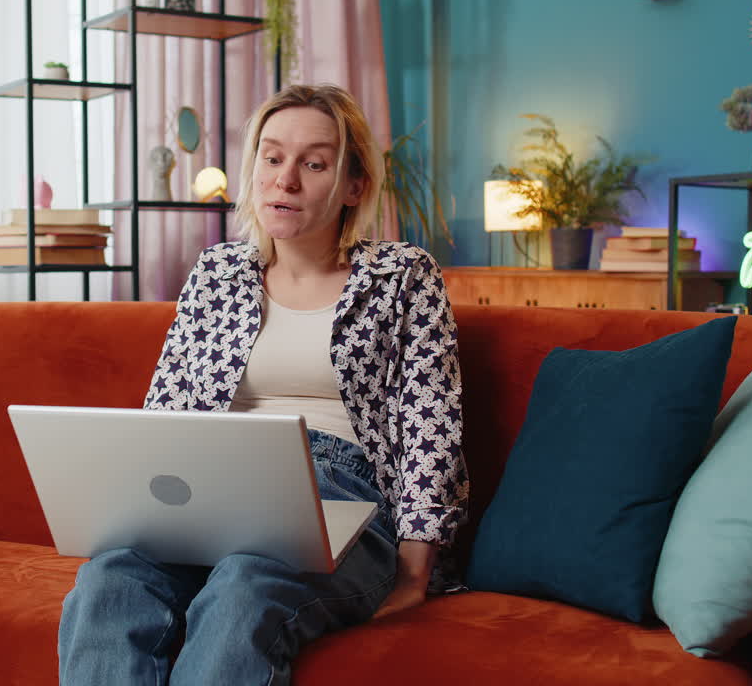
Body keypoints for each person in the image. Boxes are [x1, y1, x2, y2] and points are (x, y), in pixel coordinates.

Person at [58, 84, 468, 685]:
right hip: (213, 487)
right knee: (109, 580)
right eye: (272, 158)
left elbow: (432, 424)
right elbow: (166, 410)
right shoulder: (217, 272)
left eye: (315, 163)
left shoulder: (402, 275)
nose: (286, 180)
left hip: (344, 493)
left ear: (354, 186)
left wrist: (412, 574)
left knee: (246, 585)